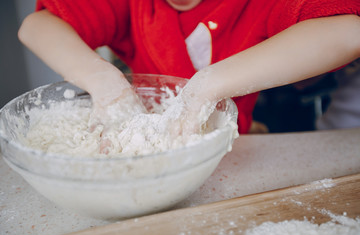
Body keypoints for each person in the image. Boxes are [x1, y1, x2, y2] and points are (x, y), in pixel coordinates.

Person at [18, 0, 360, 137]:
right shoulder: (132, 5)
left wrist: (210, 85)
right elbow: (35, 26)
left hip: (234, 154)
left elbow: (348, 32)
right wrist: (102, 79)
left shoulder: (258, 4)